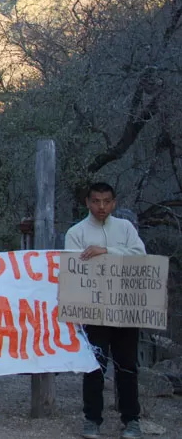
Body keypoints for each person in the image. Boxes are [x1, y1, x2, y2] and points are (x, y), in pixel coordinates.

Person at [65, 182, 146, 439]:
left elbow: (140, 256)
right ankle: (92, 421)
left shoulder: (125, 228)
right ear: (87, 202)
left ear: (114, 202)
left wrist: (106, 251)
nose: (102, 207)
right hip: (93, 312)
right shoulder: (76, 232)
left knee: (127, 366)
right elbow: (73, 269)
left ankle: (131, 420)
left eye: (107, 201)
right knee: (93, 367)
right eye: (96, 201)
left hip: (125, 308)